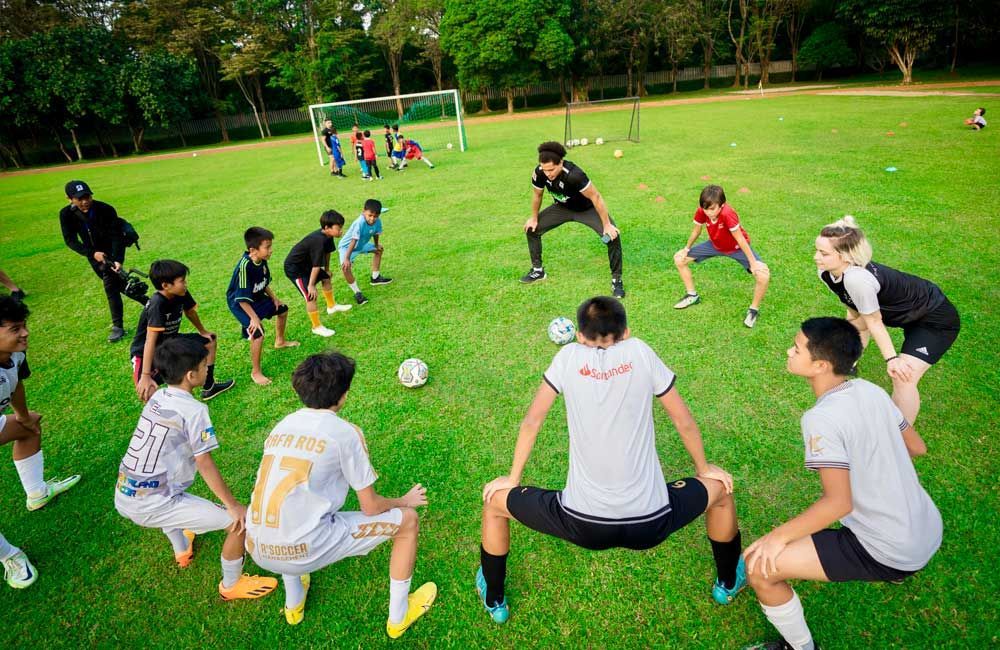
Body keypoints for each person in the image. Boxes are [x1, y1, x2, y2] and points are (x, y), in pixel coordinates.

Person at [477, 296, 743, 624]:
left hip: (582, 523)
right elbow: (683, 420)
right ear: (626, 332)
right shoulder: (640, 351)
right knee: (722, 493)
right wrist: (704, 470)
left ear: (579, 335)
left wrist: (512, 479)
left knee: (494, 504)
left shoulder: (567, 357)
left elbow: (532, 420)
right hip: (652, 521)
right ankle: (727, 583)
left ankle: (495, 599)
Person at [743, 317, 940, 650]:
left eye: (796, 348)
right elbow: (916, 446)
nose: (789, 351)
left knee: (759, 569)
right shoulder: (869, 390)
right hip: (928, 526)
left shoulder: (820, 418)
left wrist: (773, 539)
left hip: (893, 548)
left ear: (820, 365)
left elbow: (838, 504)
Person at [246, 351, 436, 635]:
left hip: (256, 546)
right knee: (408, 521)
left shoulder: (281, 426)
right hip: (301, 550)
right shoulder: (345, 433)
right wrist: (403, 501)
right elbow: (370, 507)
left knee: (289, 510)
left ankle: (294, 604)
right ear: (344, 394)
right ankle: (399, 617)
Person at [115, 336, 279, 601]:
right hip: (154, 503)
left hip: (126, 493)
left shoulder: (158, 397)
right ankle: (231, 585)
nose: (207, 369)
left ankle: (182, 550)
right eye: (205, 366)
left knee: (172, 503)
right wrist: (233, 505)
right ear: (191, 375)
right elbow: (204, 461)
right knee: (239, 524)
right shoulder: (194, 410)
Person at [814, 216, 959, 424]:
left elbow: (873, 321)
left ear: (845, 257)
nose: (816, 257)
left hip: (933, 319)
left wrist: (892, 360)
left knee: (902, 378)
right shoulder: (826, 273)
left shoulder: (858, 279)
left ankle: (900, 439)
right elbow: (855, 311)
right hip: (902, 314)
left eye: (824, 253)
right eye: (817, 250)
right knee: (851, 325)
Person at [0, 296, 81, 589]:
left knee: (29, 427)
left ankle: (37, 494)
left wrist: (22, 416)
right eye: (15, 329)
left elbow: (16, 383)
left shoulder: (15, 355)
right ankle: (10, 556)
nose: (25, 333)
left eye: (24, 326)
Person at [521, 142, 624, 298]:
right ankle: (538, 271)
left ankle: (616, 281)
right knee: (531, 229)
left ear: (560, 163)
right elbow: (537, 195)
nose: (547, 173)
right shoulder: (540, 172)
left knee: (612, 237)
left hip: (587, 210)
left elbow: (595, 197)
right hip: (562, 208)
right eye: (544, 169)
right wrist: (534, 218)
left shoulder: (575, 174)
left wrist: (607, 225)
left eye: (551, 169)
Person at [131, 260, 235, 403]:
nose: (185, 284)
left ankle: (209, 386)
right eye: (182, 281)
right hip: (145, 352)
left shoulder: (181, 293)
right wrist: (145, 374)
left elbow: (190, 312)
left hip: (171, 343)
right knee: (148, 390)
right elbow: (150, 340)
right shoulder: (157, 303)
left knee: (210, 341)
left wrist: (203, 331)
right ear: (166, 286)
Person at [59, 180, 148, 342]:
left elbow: (116, 236)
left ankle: (118, 327)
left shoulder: (105, 209)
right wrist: (92, 253)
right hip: (93, 255)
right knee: (118, 284)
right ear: (69, 198)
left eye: (87, 196)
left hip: (111, 251)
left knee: (110, 285)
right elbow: (70, 240)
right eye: (79, 198)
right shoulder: (66, 214)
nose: (85, 201)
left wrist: (118, 259)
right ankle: (149, 303)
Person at [673, 185, 771, 328]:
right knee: (679, 259)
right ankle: (692, 296)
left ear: (722, 205)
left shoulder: (728, 214)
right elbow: (696, 231)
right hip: (715, 245)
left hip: (736, 248)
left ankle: (753, 310)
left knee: (763, 276)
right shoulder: (703, 210)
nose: (708, 212)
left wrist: (753, 263)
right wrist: (686, 249)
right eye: (705, 209)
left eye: (712, 209)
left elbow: (740, 239)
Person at [226, 227, 299, 386]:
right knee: (257, 332)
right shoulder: (245, 267)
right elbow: (241, 299)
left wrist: (275, 299)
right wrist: (254, 319)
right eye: (267, 247)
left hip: (256, 296)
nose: (271, 250)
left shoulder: (262, 260)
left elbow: (263, 283)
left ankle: (280, 341)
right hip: (240, 304)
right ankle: (256, 372)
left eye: (270, 246)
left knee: (283, 309)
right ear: (253, 250)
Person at [284, 211, 352, 337]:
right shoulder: (317, 241)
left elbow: (328, 253)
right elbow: (316, 265)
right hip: (295, 269)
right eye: (339, 228)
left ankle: (331, 306)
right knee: (311, 296)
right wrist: (311, 285)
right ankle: (316, 326)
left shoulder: (329, 236)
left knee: (326, 278)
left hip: (307, 265)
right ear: (327, 227)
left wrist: (326, 269)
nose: (341, 231)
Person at [338, 199, 393, 306]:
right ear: (363, 212)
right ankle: (357, 293)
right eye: (370, 215)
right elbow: (353, 240)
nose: (372, 219)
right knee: (345, 268)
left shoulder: (377, 221)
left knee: (379, 250)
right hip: (347, 247)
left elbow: (376, 233)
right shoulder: (359, 223)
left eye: (375, 216)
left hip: (360, 245)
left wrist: (376, 245)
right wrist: (347, 258)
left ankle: (375, 278)